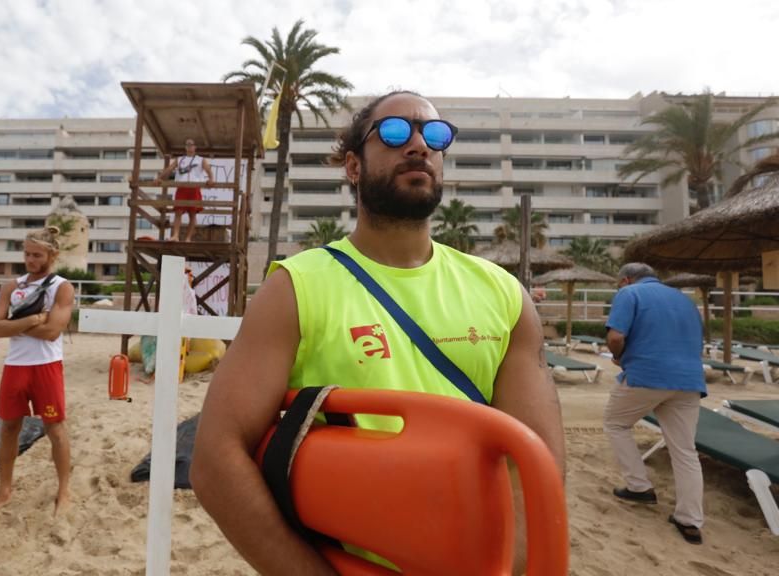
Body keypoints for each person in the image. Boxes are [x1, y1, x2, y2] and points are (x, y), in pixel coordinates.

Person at [190, 91, 565, 575]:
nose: (417, 145)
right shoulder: (296, 287)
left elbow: (537, 463)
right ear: (353, 166)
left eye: (434, 135)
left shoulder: (504, 294)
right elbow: (215, 459)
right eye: (393, 133)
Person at [603, 262, 706, 544]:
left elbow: (615, 336)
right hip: (689, 380)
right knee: (685, 450)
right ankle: (690, 520)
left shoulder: (629, 293)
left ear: (625, 280)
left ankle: (639, 487)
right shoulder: (686, 301)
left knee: (615, 423)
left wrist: (619, 357)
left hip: (647, 374)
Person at [0, 226, 76, 520]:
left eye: (37, 255)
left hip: (46, 366)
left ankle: (64, 491)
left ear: (52, 255)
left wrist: (16, 323)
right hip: (16, 366)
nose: (30, 260)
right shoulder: (12, 286)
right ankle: (4, 491)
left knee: (55, 429)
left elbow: (51, 333)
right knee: (8, 429)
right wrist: (34, 317)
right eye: (27, 254)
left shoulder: (62, 286)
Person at [155, 138, 215, 242]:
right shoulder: (179, 159)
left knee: (192, 213)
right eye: (187, 144)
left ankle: (188, 238)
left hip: (194, 188)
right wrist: (160, 178)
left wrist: (211, 179)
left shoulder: (200, 159)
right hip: (182, 187)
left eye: (191, 144)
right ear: (185, 147)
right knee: (178, 212)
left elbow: (208, 170)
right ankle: (175, 236)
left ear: (195, 147)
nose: (189, 146)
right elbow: (169, 169)